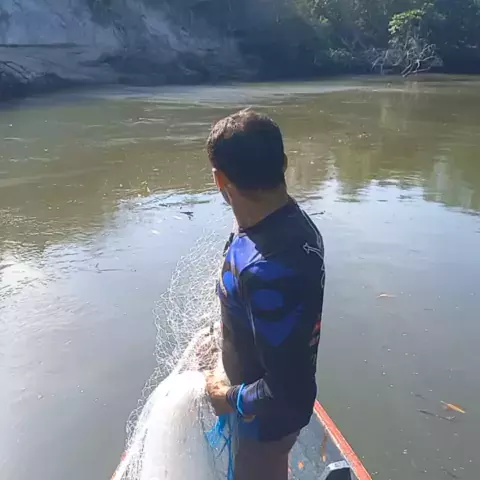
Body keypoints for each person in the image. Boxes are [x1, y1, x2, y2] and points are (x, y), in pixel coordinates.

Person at [205, 108, 325, 480]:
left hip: (266, 422)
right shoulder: (282, 220)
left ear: (219, 179)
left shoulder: (268, 269)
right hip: (258, 401)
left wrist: (226, 398)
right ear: (283, 164)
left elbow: (289, 391)